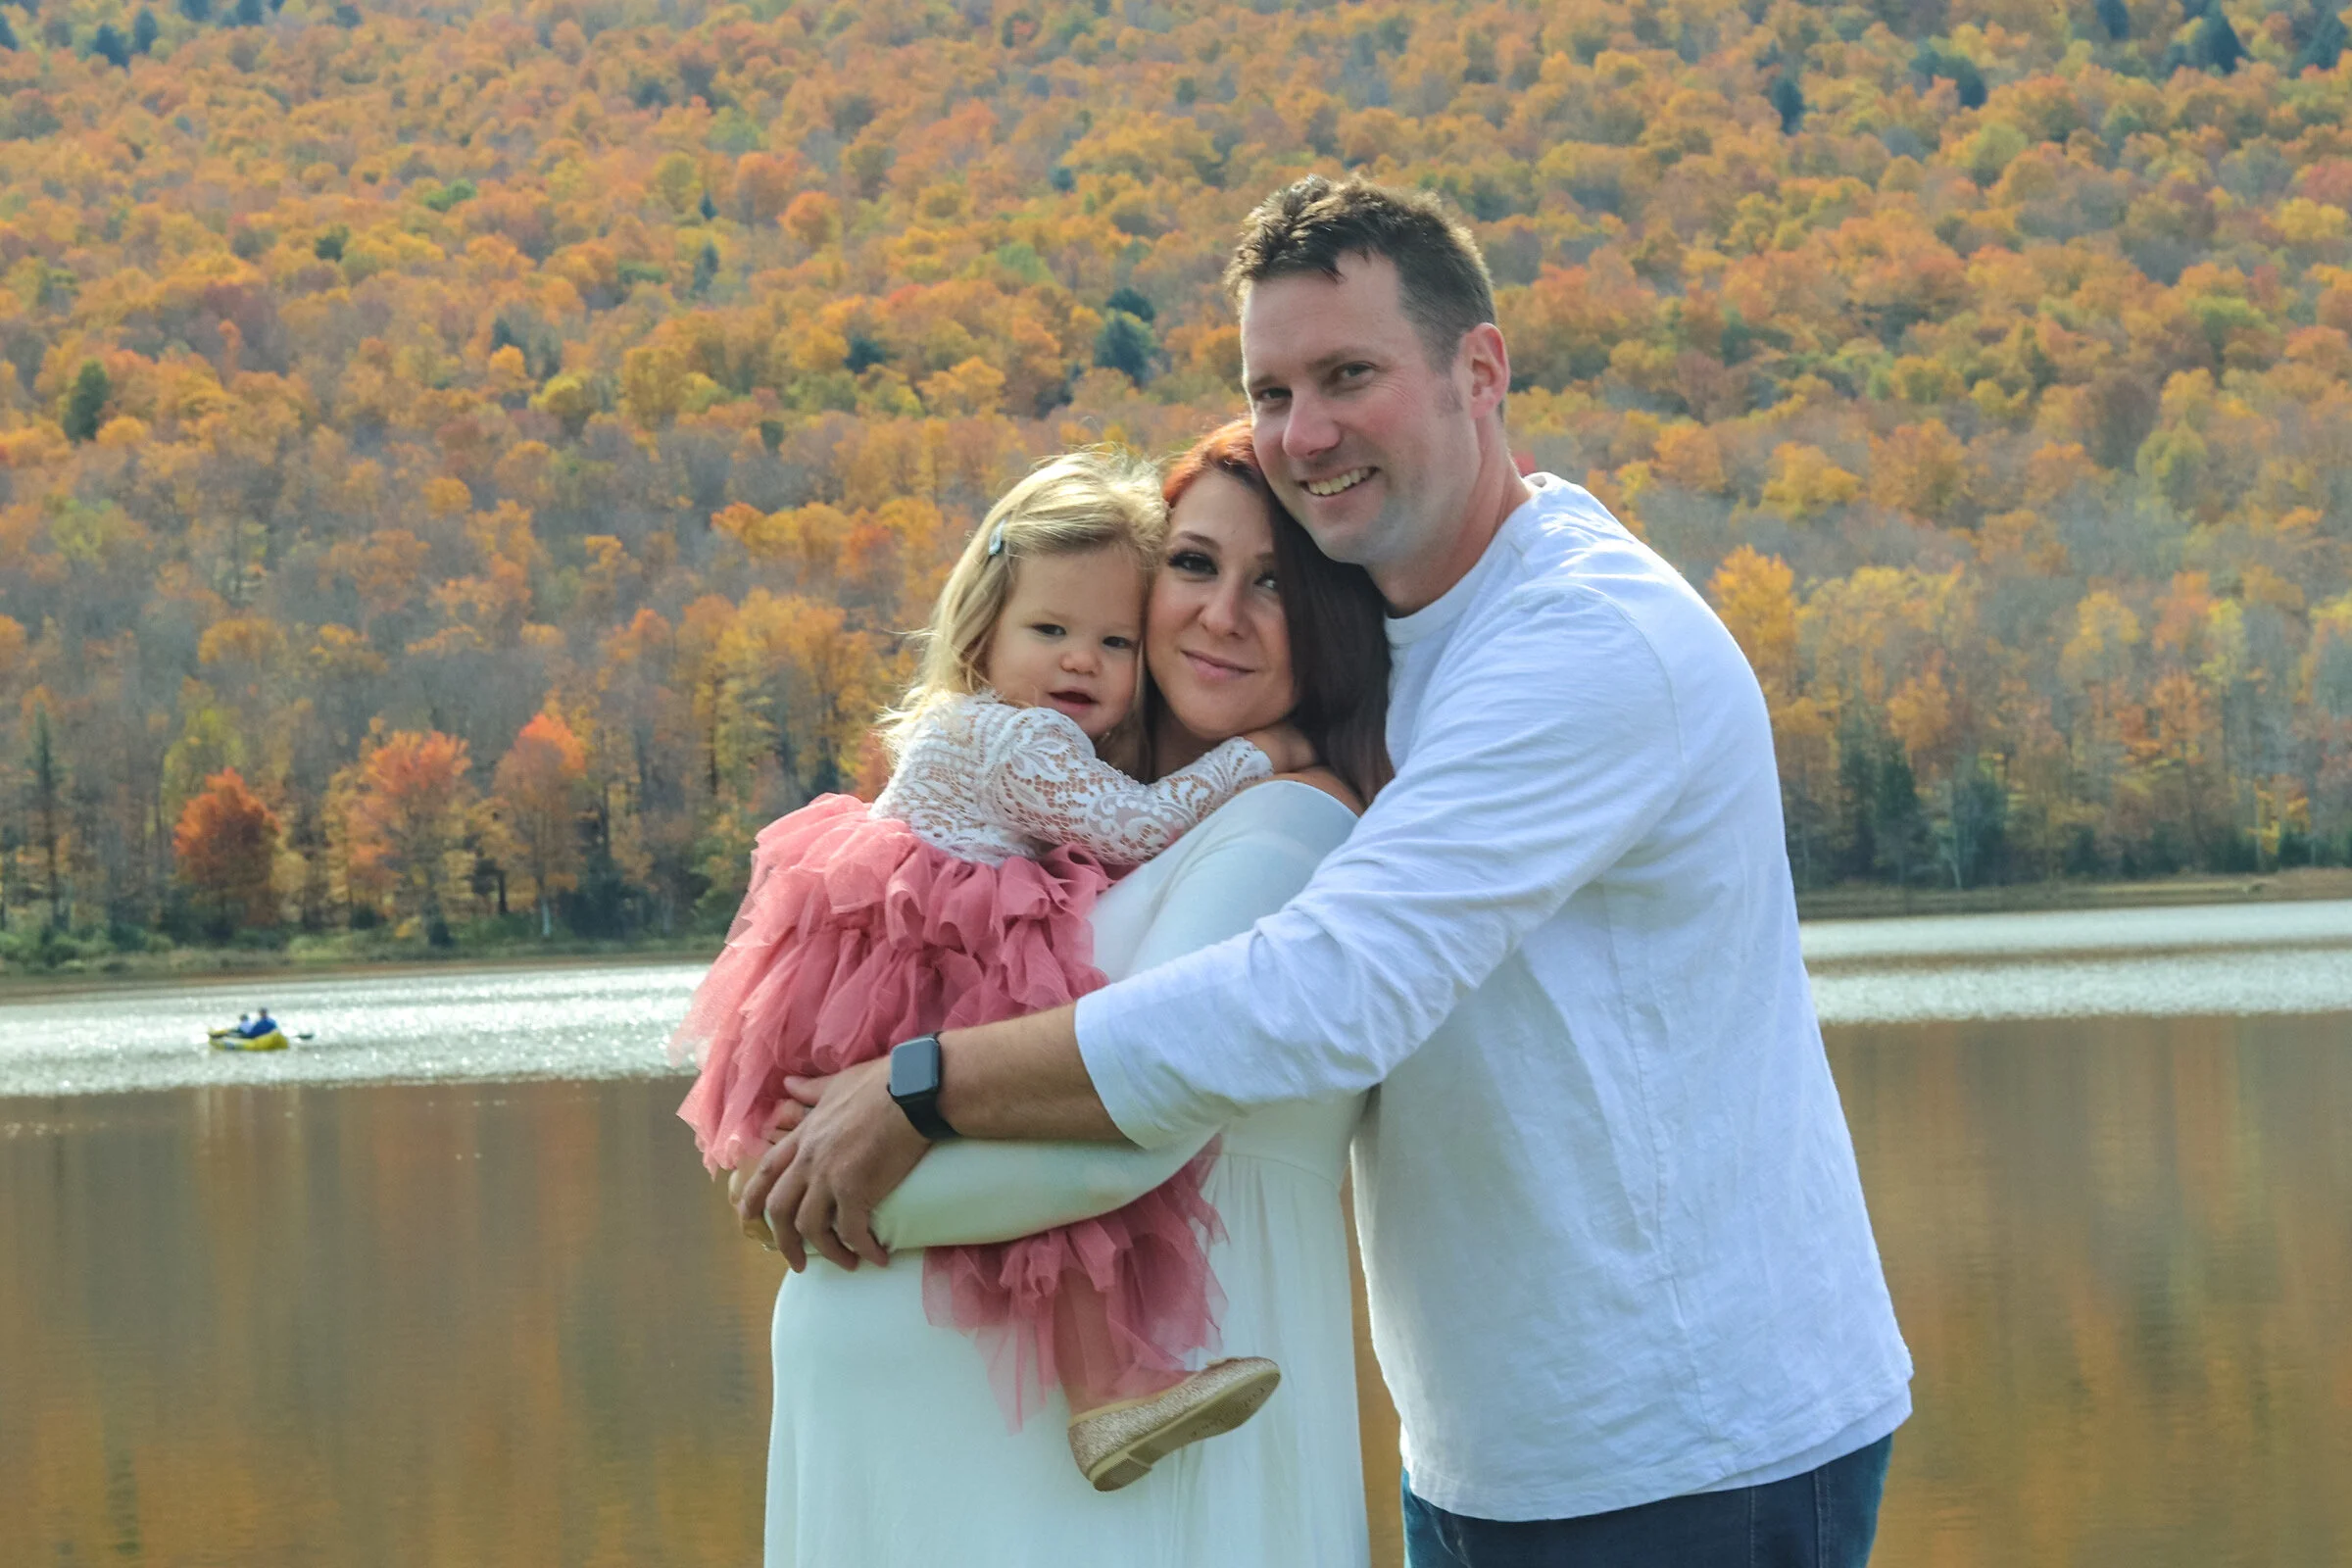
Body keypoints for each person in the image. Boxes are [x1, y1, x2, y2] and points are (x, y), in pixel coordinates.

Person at [747, 177, 1914, 1567]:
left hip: (1693, 1446)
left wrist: (920, 1086)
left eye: (1349, 374)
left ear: (1481, 370)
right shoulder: (1386, 653)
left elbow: (1327, 992)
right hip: (1493, 1450)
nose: (1304, 431)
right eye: (1272, 390)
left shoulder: (1584, 646)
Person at [754, 419, 1391, 1566]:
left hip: (1075, 1480)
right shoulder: (1059, 818)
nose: (1220, 612)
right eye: (1192, 563)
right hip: (923, 1449)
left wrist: (825, 1182)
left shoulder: (1286, 821)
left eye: (1274, 583)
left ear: (1332, 620)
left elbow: (1126, 1133)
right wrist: (801, 1162)